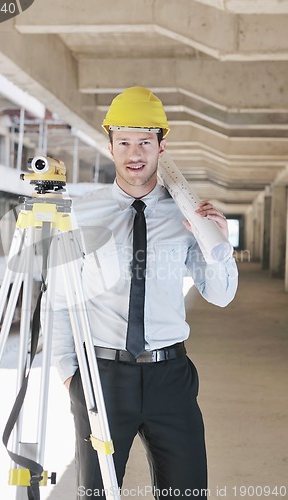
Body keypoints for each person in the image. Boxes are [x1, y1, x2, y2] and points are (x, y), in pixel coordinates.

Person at [47, 86, 238, 499]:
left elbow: (220, 294)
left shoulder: (187, 214)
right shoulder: (82, 215)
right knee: (97, 494)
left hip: (170, 376)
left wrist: (218, 245)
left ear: (161, 146)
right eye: (125, 142)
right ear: (110, 145)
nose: (135, 153)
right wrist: (70, 376)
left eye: (145, 142)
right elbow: (60, 298)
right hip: (101, 376)